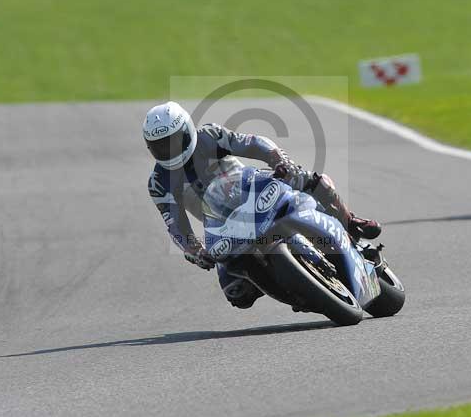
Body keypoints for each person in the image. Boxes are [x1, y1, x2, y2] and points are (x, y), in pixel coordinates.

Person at [144, 101, 381, 309]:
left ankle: (350, 223)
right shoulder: (158, 183)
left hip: (255, 192)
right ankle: (297, 290)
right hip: (223, 227)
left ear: (187, 130)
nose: (169, 150)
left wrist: (279, 160)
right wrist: (194, 250)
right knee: (237, 293)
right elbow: (175, 223)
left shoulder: (209, 136)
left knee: (311, 181)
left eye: (174, 141)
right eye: (161, 146)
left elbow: (253, 144)